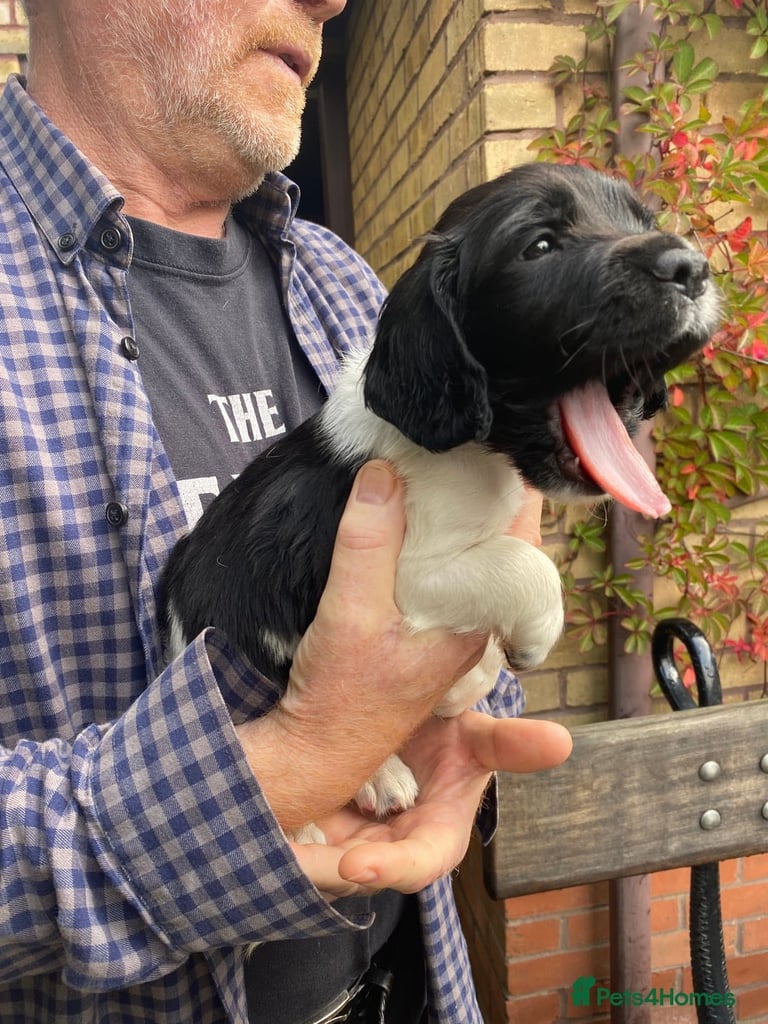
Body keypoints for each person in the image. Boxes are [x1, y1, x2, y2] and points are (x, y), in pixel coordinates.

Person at [0, 1, 572, 1022]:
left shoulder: (348, 285)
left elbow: (449, 639)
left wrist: (460, 713)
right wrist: (276, 772)